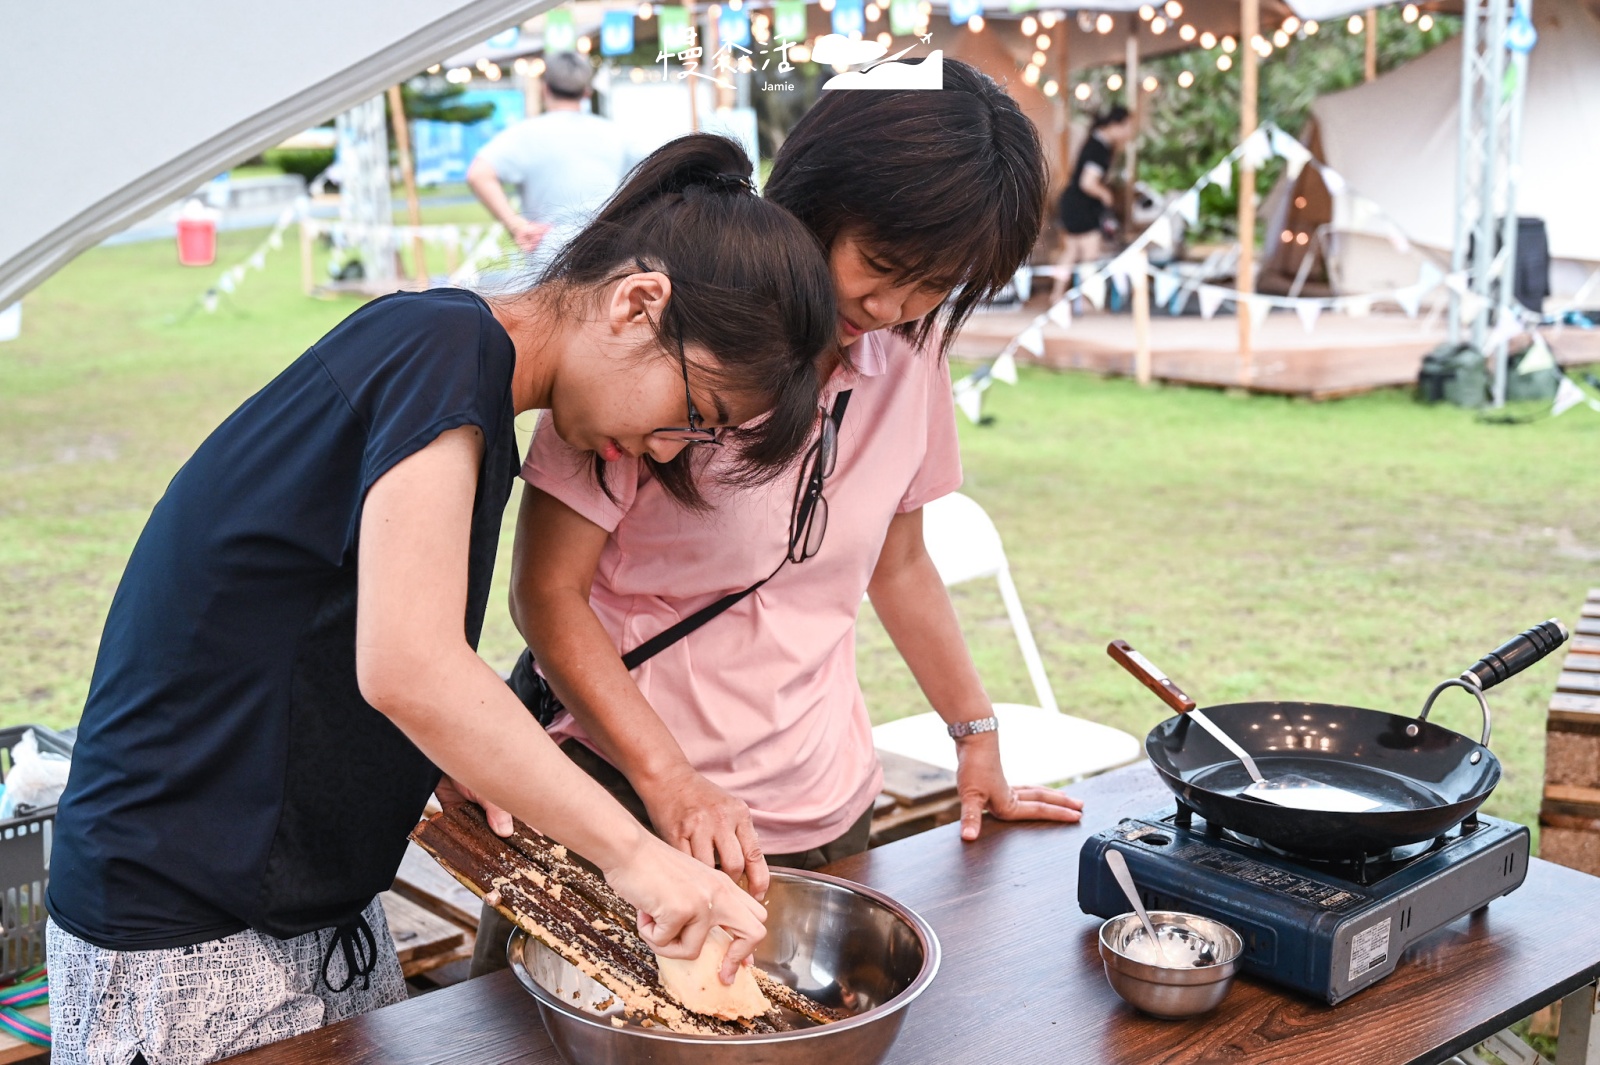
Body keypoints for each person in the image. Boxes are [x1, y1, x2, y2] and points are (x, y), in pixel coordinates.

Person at [43, 135, 839, 1065]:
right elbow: (409, 665)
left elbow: (329, 632)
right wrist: (637, 855)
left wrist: (447, 755)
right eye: (691, 417)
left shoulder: (471, 395)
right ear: (637, 304)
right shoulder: (439, 349)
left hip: (305, 908)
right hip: (185, 923)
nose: (666, 452)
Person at [472, 60, 1084, 974]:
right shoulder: (670, 321)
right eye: (878, 266)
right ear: (816, 193)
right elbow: (547, 594)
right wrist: (668, 779)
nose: (890, 309)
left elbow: (899, 562)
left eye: (932, 286)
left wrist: (976, 734)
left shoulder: (908, 354)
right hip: (620, 797)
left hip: (822, 805)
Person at [466, 51, 634, 272]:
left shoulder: (525, 134)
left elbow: (478, 174)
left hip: (551, 256)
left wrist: (516, 225)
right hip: (608, 250)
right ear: (586, 92)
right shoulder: (615, 133)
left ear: (544, 88)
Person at [1048, 106, 1135, 306]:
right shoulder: (1099, 147)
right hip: (1082, 206)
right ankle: (1086, 301)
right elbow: (1088, 183)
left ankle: (1057, 295)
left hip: (1071, 203)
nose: (1129, 132)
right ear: (1115, 125)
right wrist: (1106, 194)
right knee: (1089, 255)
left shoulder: (1094, 141)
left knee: (1070, 251)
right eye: (1127, 126)